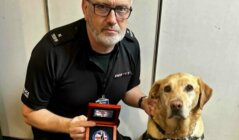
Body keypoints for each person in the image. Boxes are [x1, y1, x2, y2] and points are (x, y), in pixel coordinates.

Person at [21, 0, 152, 139]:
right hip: (62, 135)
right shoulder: (52, 51)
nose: (112, 20)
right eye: (102, 7)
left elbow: (129, 87)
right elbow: (29, 113)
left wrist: (143, 102)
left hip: (105, 134)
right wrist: (68, 125)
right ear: (85, 8)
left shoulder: (130, 45)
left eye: (121, 9)